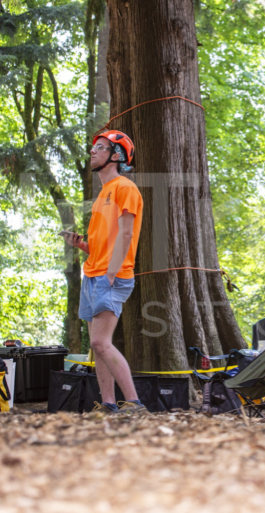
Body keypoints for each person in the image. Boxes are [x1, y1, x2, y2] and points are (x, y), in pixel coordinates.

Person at [62, 130, 146, 414]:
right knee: (97, 347)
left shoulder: (125, 188)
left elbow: (126, 235)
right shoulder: (102, 195)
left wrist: (110, 274)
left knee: (100, 341)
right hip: (94, 274)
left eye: (100, 147)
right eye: (93, 147)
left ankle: (134, 403)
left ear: (117, 156)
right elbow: (104, 245)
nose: (92, 151)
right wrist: (82, 245)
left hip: (112, 276)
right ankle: (109, 404)